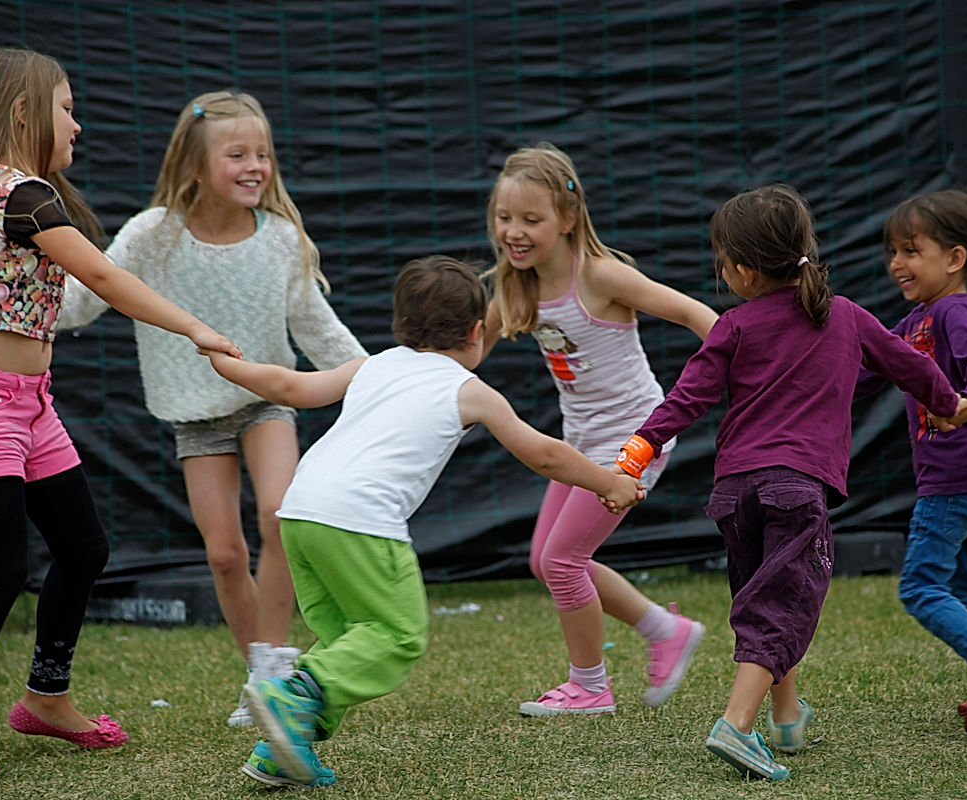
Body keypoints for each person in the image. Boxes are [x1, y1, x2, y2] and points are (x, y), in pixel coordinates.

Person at [0, 46, 242, 782]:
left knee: (83, 548)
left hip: (28, 402)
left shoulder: (3, 189)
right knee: (2, 566)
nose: (78, 123)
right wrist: (194, 327)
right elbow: (99, 273)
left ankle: (46, 698)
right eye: (66, 107)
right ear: (24, 111)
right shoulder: (21, 193)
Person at [203, 256, 646, 788]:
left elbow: (291, 388)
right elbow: (545, 455)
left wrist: (227, 363)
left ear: (401, 324)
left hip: (300, 513)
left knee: (348, 638)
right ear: (478, 331)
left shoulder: (375, 364)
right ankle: (288, 694)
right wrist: (609, 481)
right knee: (396, 636)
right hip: (360, 521)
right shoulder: (470, 389)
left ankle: (281, 749)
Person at [613, 184, 960, 781]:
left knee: (765, 600)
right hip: (797, 490)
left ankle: (788, 716)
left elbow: (687, 396)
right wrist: (949, 401)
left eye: (722, 263)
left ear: (744, 270)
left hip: (735, 494)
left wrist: (637, 451)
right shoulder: (846, 315)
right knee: (781, 606)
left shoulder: (733, 326)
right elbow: (911, 366)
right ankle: (735, 726)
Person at [59, 90, 366, 727]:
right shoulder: (151, 235)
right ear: (197, 166)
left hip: (266, 401)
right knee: (224, 555)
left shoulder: (280, 239)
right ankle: (255, 668)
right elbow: (84, 300)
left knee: (279, 513)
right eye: (238, 154)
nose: (256, 165)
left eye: (263, 153)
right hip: (194, 415)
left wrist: (378, 378)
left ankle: (275, 667)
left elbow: (316, 327)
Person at [482, 143, 718, 716]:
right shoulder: (516, 286)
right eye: (504, 218)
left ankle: (589, 687)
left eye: (530, 220)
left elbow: (695, 315)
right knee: (548, 559)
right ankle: (666, 629)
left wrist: (743, 369)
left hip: (635, 440)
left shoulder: (603, 276)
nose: (514, 232)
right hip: (579, 443)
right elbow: (468, 352)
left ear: (566, 219)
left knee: (562, 562)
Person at [857, 189, 967, 735]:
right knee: (960, 585)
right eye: (893, 251)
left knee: (920, 588)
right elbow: (869, 365)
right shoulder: (918, 319)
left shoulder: (955, 312)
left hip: (956, 481)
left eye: (911, 250)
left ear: (954, 258)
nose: (896, 263)